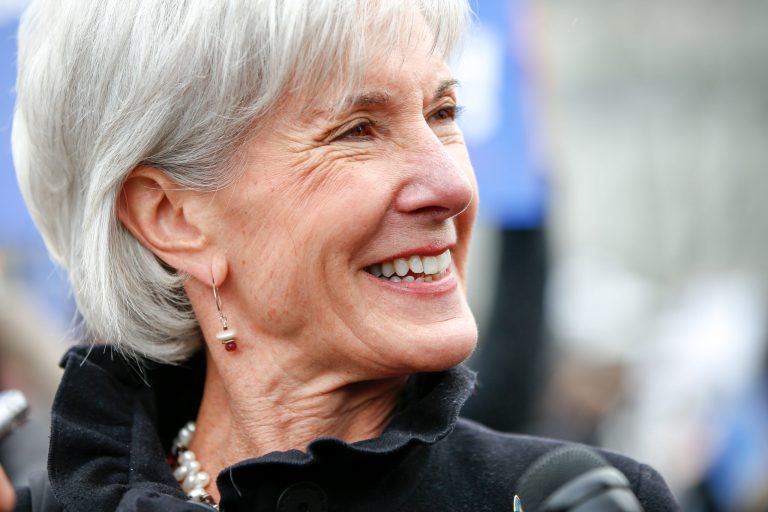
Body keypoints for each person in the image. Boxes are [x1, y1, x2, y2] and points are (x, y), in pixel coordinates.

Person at [4, 1, 678, 510]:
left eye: (444, 113)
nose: (453, 185)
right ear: (174, 218)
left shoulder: (587, 498)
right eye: (358, 130)